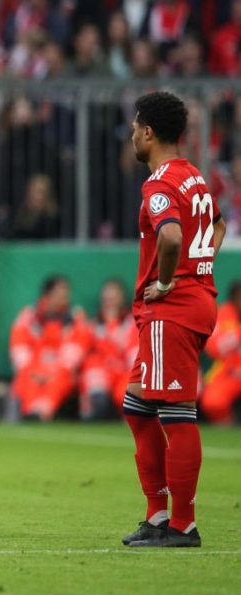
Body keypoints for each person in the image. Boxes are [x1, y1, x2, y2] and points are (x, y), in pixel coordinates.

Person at [121, 91, 225, 548]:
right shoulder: (194, 177)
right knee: (138, 407)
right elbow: (218, 226)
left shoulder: (160, 183)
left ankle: (182, 523)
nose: (131, 135)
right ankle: (158, 514)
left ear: (147, 131)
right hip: (193, 300)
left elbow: (170, 237)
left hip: (173, 309)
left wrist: (167, 281)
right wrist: (201, 266)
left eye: (133, 127)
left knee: (176, 413)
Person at [9, 275, 92, 421]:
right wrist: (37, 369)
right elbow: (19, 350)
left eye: (66, 295)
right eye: (60, 294)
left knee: (60, 374)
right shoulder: (28, 316)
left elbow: (75, 353)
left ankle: (42, 412)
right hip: (33, 369)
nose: (64, 298)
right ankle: (31, 412)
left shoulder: (76, 318)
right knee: (27, 375)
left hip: (61, 371)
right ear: (47, 296)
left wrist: (50, 370)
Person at [79, 279, 138, 420]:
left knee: (128, 398)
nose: (110, 300)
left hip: (124, 372)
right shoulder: (92, 325)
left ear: (122, 298)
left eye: (114, 296)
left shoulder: (132, 323)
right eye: (107, 297)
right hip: (102, 373)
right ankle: (94, 408)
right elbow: (83, 353)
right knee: (93, 368)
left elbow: (134, 356)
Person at [200, 281, 241, 424]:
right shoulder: (225, 313)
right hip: (230, 374)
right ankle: (228, 430)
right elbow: (214, 348)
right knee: (213, 401)